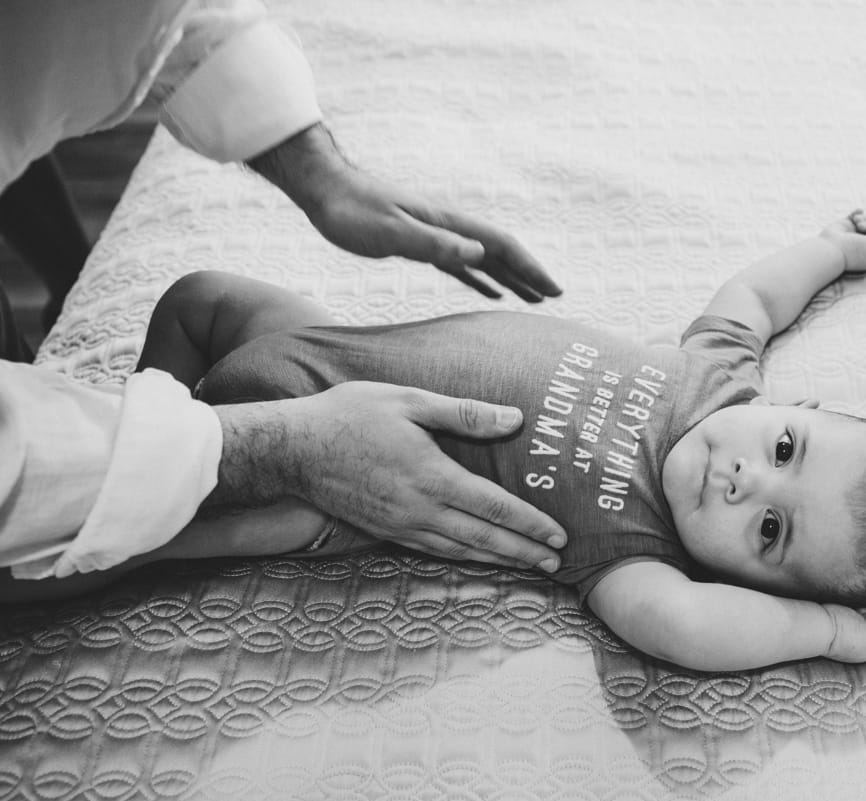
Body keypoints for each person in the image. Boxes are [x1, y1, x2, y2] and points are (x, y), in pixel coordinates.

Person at [18, 210, 866, 671]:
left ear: (746, 582)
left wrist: (825, 633)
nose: (743, 478)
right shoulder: (715, 375)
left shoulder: (634, 553)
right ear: (796, 406)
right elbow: (756, 297)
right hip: (333, 348)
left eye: (768, 534)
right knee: (198, 296)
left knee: (181, 526)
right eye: (788, 448)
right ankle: (129, 424)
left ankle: (69, 552)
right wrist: (834, 250)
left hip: (335, 489)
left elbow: (685, 632)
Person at [0, 0, 568, 584]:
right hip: (343, 398)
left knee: (204, 308)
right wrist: (269, 449)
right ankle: (156, 478)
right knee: (62, 540)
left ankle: (154, 470)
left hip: (340, 410)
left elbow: (172, 21)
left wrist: (323, 177)